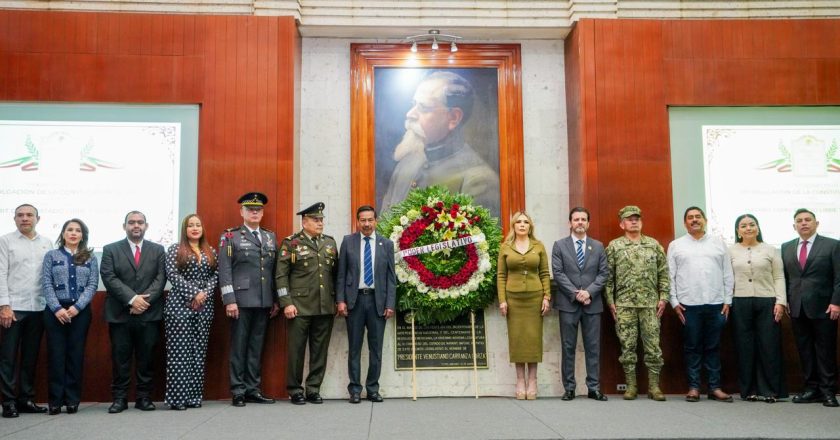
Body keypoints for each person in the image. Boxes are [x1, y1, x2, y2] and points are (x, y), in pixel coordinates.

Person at [380, 71, 500, 217]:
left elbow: (478, 239)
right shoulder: (406, 164)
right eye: (414, 104)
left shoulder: (479, 181)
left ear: (453, 118)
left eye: (423, 107)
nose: (410, 114)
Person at [100, 211, 166, 413]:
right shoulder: (110, 249)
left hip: (149, 312)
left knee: (146, 358)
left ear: (146, 226)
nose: (136, 225)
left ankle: (143, 398)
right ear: (124, 226)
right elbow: (109, 277)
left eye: (140, 222)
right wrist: (132, 299)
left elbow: (161, 277)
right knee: (121, 358)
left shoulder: (158, 249)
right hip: (120, 313)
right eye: (131, 222)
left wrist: (144, 301)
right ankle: (119, 398)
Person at [218, 192, 279, 407]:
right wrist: (229, 300)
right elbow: (225, 270)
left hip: (263, 301)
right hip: (241, 301)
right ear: (241, 212)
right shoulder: (230, 236)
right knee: (239, 346)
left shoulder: (270, 237)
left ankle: (253, 389)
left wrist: (275, 300)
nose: (255, 212)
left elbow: (272, 271)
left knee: (256, 347)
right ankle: (238, 390)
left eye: (258, 209)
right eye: (250, 209)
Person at [668, 206, 734, 402]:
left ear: (705, 220)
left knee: (713, 347)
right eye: (690, 217)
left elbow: (727, 273)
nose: (694, 220)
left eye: (698, 217)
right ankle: (694, 387)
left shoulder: (718, 243)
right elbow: (670, 276)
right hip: (689, 305)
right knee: (692, 347)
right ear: (684, 223)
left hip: (716, 304)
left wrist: (727, 300)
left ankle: (715, 388)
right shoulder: (676, 245)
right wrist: (674, 302)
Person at [275, 202, 338, 405]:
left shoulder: (329, 243)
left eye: (321, 220)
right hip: (299, 306)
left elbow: (335, 275)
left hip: (324, 305)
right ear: (304, 221)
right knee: (296, 351)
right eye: (315, 220)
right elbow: (281, 276)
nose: (320, 223)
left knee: (320, 351)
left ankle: (313, 389)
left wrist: (336, 301)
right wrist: (286, 303)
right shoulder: (291, 243)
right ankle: (295, 390)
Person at [605, 205, 669, 401]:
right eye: (629, 219)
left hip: (650, 305)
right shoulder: (614, 246)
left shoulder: (653, 245)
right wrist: (611, 301)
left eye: (637, 218)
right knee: (627, 347)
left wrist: (663, 297)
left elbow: (663, 273)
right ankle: (631, 386)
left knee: (653, 348)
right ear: (622, 223)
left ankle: (654, 387)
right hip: (624, 305)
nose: (634, 221)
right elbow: (608, 278)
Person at [336, 205, 396, 404]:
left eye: (370, 220)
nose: (367, 224)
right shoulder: (348, 242)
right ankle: (354, 390)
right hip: (354, 302)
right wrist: (341, 300)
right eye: (363, 220)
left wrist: (390, 303)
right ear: (358, 221)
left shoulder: (386, 244)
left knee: (376, 349)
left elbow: (390, 278)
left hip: (378, 302)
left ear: (375, 221)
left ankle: (372, 389)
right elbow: (341, 274)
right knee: (354, 347)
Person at [781, 208, 840, 407]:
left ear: (816, 223)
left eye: (808, 220)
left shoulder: (832, 245)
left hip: (825, 307)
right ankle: (811, 389)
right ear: (794, 225)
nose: (804, 223)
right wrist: (787, 300)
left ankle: (828, 391)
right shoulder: (786, 247)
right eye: (799, 220)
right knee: (805, 351)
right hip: (797, 308)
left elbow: (839, 278)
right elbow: (788, 278)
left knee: (825, 351)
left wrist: (836, 302)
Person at [0, 204, 53, 418]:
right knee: (8, 358)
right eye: (20, 215)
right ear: (14, 219)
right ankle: (9, 402)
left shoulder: (47, 243)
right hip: (13, 309)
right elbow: (1, 273)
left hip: (39, 308)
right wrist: (4, 305)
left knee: (30, 357)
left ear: (37, 219)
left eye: (29, 215)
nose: (25, 219)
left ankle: (26, 399)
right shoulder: (5, 241)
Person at [728, 213, 787, 403]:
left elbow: (779, 277)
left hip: (767, 300)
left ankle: (770, 391)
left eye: (752, 224)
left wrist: (780, 302)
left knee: (768, 346)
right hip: (740, 301)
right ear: (738, 231)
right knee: (745, 347)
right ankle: (749, 390)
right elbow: (726, 278)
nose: (748, 228)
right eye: (743, 226)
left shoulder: (770, 250)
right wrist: (727, 302)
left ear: (758, 228)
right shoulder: (730, 251)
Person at [551, 207, 608, 401]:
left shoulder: (598, 246)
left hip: (592, 304)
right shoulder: (559, 246)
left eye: (583, 219)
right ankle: (569, 388)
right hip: (568, 304)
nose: (580, 223)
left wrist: (589, 292)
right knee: (568, 346)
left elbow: (603, 274)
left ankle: (593, 388)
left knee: (593, 347)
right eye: (576, 219)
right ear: (570, 223)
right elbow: (558, 274)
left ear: (588, 223)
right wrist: (576, 294)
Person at [42, 218, 98, 415]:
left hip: (80, 313)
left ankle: (72, 400)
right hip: (54, 312)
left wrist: (77, 307)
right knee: (56, 356)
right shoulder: (51, 255)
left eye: (78, 230)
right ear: (63, 233)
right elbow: (46, 283)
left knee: (75, 355)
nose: (73, 233)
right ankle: (55, 401)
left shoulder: (90, 257)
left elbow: (92, 285)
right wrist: (57, 308)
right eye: (69, 230)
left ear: (83, 235)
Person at [164, 214, 218, 410]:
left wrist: (203, 294)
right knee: (180, 353)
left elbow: (216, 275)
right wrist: (194, 293)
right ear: (184, 229)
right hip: (179, 306)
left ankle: (194, 398)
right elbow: (172, 274)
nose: (194, 228)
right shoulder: (174, 250)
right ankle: (178, 399)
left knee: (198, 353)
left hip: (204, 307)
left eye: (198, 225)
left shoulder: (210, 251)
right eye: (190, 225)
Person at [497, 211, 551, 400]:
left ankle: (533, 381)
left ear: (530, 226)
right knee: (518, 339)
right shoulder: (506, 247)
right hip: (514, 299)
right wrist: (502, 300)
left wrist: (547, 297)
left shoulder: (539, 246)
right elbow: (501, 276)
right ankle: (520, 381)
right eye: (518, 222)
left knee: (533, 338)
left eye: (525, 222)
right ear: (513, 226)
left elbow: (544, 273)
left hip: (535, 298)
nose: (522, 225)